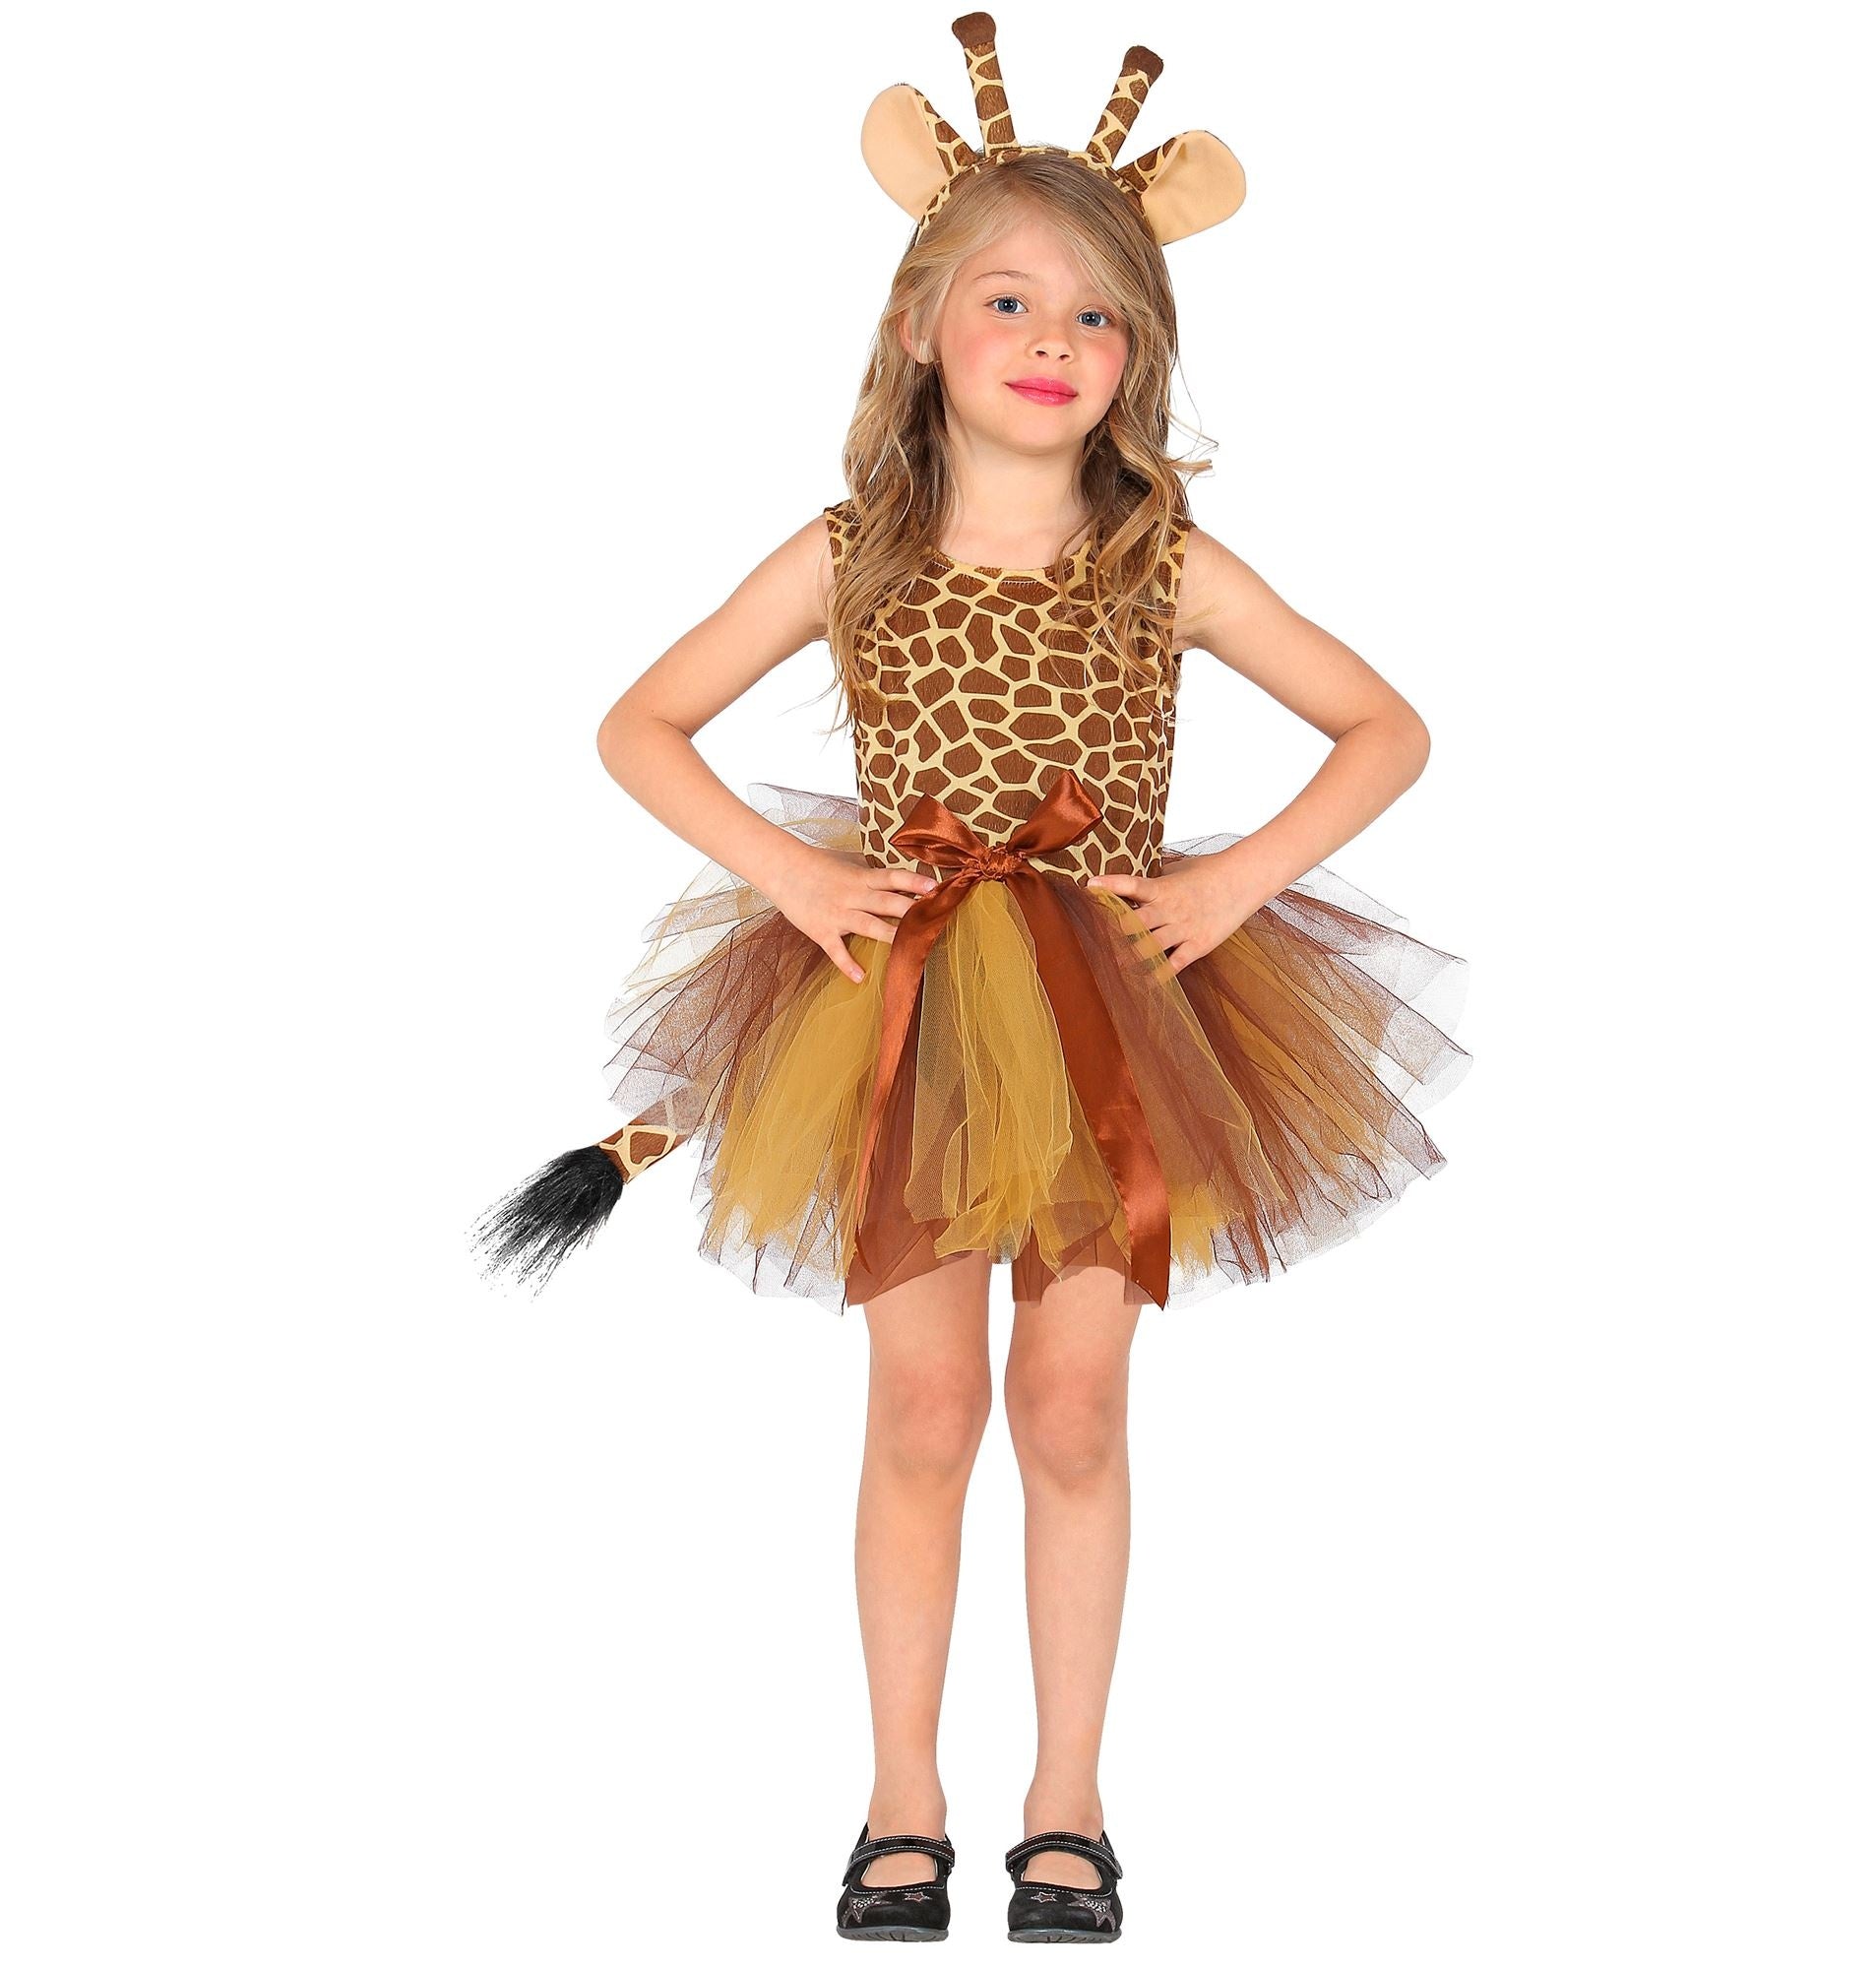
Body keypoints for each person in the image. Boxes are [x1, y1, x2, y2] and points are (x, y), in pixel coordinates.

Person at [470, 15, 1470, 1943]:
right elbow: (641, 723)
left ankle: (1067, 1800)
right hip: (908, 1004)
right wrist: (791, 874)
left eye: (1097, 316)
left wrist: (1236, 881)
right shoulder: (852, 550)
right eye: (1008, 297)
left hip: (1114, 1009)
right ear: (923, 323)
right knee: (925, 1410)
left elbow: (1384, 726)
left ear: (1137, 358)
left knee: (1072, 1410)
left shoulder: (1165, 561)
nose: (1050, 337)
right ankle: (900, 1799)